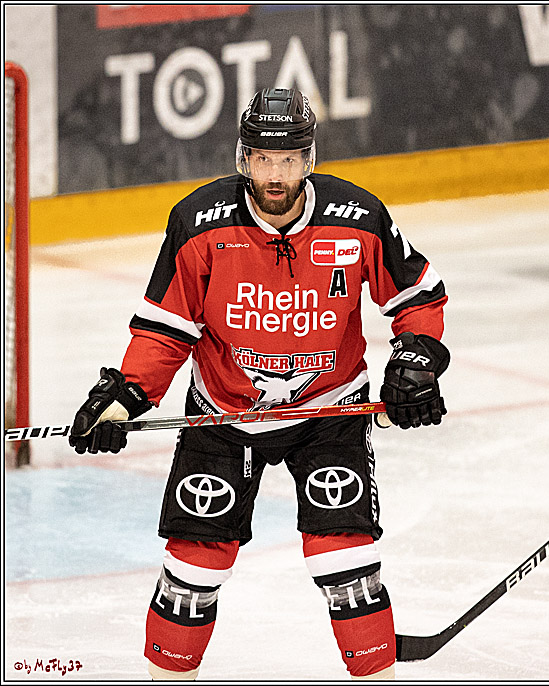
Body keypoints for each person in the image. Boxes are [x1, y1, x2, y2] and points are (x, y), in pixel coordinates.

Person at [68, 88, 450, 680]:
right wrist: (127, 394)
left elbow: (417, 296)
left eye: (291, 158)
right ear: (243, 158)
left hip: (330, 409)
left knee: (347, 561)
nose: (277, 174)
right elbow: (167, 327)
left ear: (311, 158)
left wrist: (418, 359)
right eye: (265, 159)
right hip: (221, 412)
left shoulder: (358, 218)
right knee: (193, 570)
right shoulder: (198, 224)